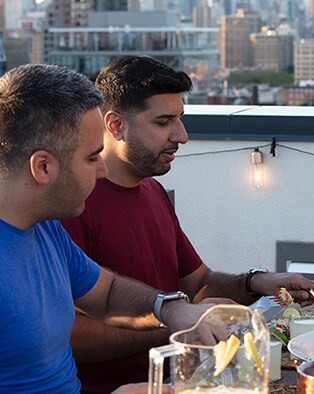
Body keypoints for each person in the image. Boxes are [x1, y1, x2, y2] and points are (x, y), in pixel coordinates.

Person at [60, 56, 314, 393]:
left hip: (183, 378)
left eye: (180, 119)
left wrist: (259, 282)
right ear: (116, 125)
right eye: (164, 121)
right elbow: (70, 336)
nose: (181, 135)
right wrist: (178, 323)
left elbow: (199, 284)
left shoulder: (153, 191)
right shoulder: (73, 207)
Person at [0, 64, 225, 392]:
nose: (104, 170)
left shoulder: (43, 227)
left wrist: (173, 310)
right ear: (43, 167)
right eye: (92, 158)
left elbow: (106, 294)